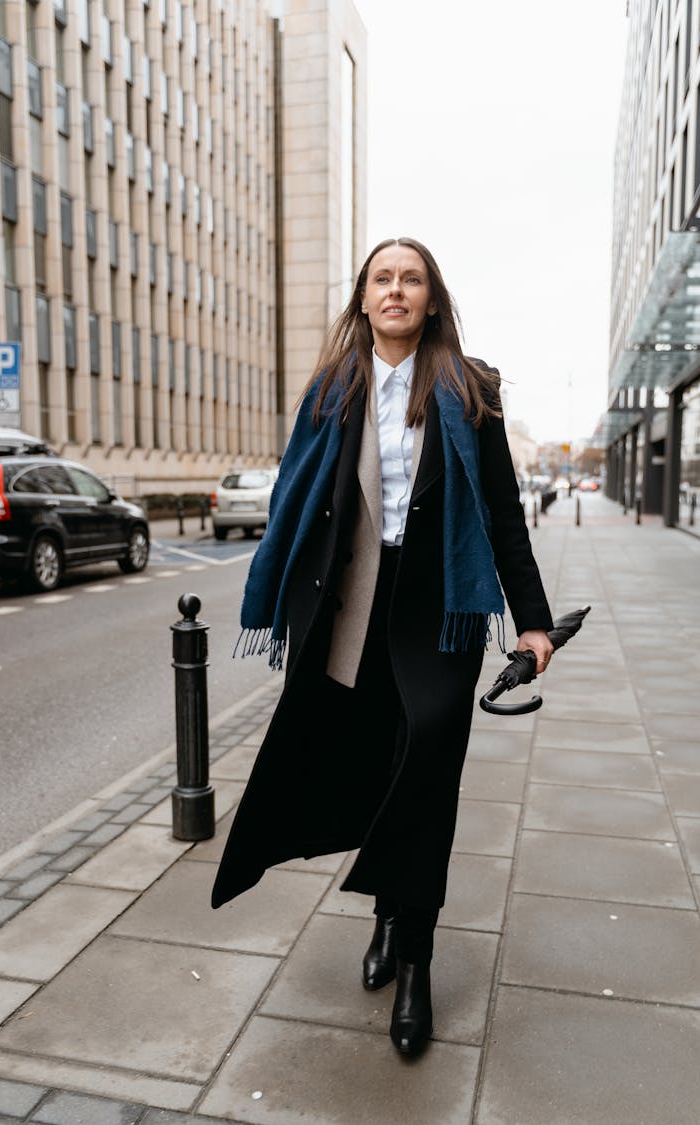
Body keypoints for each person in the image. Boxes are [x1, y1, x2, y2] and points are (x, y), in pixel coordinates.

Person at [212, 236, 554, 1057]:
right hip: (351, 607)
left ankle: (418, 961)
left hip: (438, 613)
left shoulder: (471, 391)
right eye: (382, 278)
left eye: (411, 279)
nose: (396, 290)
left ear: (431, 300)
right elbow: (298, 490)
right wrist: (280, 591)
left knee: (427, 773)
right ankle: (385, 919)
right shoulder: (334, 388)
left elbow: (502, 515)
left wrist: (533, 620)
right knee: (376, 769)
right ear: (364, 299)